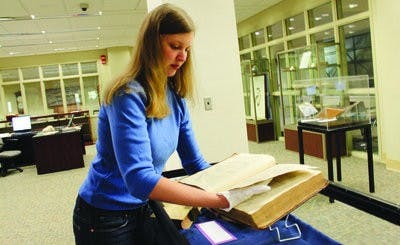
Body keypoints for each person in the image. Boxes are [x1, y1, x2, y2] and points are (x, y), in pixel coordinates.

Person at [73, 3, 268, 244]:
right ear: (151, 44)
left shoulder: (175, 98)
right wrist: (220, 199)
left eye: (187, 48)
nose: (183, 57)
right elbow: (139, 179)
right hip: (104, 215)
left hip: (141, 207)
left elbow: (195, 163)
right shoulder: (126, 95)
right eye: (175, 46)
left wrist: (237, 183)